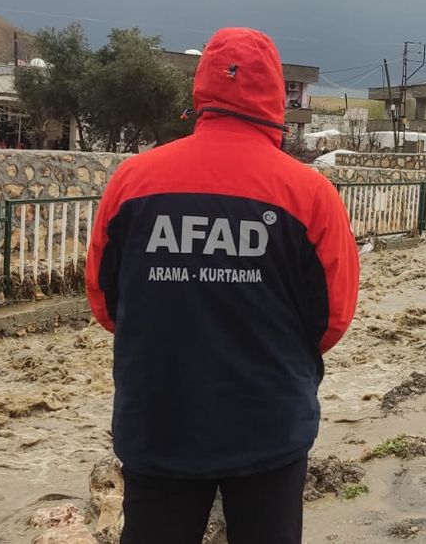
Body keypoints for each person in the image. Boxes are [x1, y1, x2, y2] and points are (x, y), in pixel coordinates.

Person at [85, 28, 360, 543]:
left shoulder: (132, 182)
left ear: (202, 91)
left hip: (158, 423)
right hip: (269, 427)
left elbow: (105, 303)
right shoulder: (310, 194)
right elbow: (332, 318)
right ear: (276, 97)